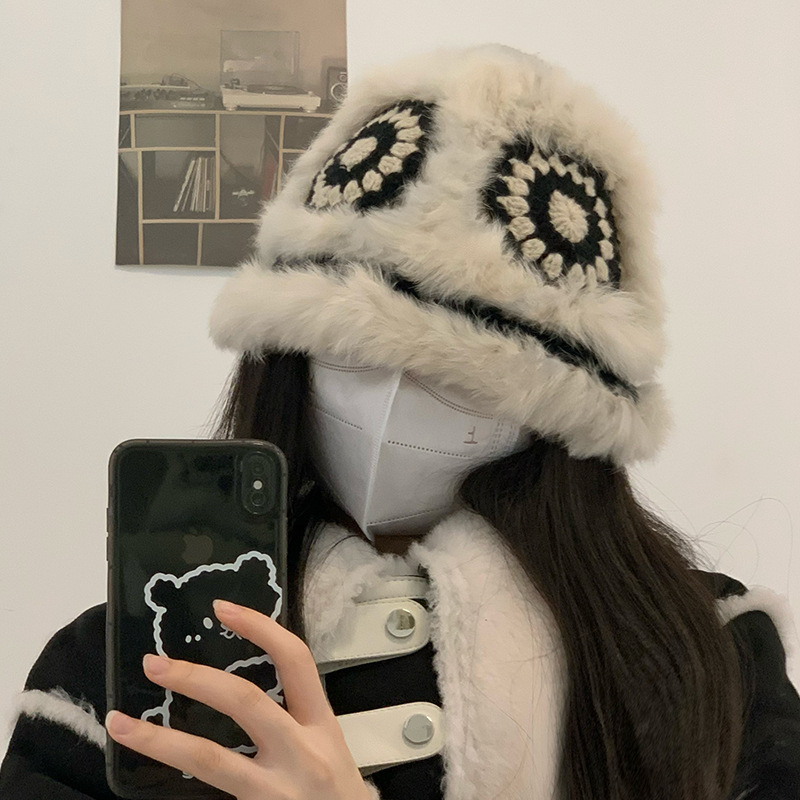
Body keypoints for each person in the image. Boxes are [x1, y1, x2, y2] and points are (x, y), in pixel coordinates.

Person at [2, 43, 799, 800]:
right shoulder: (125, 670)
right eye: (351, 350)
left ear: (557, 418)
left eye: (456, 371)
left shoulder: (708, 653)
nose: (389, 400)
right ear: (289, 360)